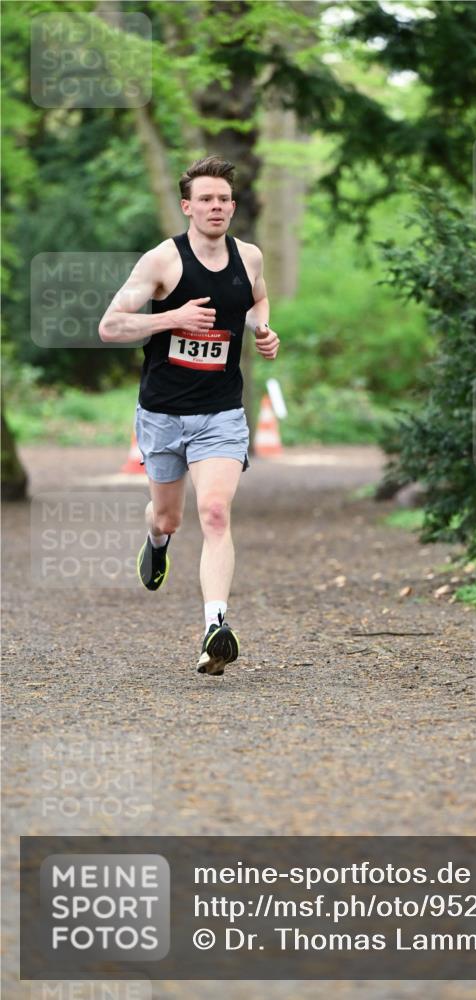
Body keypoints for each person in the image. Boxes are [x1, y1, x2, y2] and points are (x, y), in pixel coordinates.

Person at [99, 155, 279, 676]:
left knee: (216, 513)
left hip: (221, 412)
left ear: (233, 206)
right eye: (206, 199)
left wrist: (262, 331)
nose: (216, 207)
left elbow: (258, 300)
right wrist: (173, 317)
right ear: (188, 207)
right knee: (169, 516)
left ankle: (214, 628)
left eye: (223, 199)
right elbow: (110, 327)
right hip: (162, 413)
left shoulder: (250, 258)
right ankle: (157, 542)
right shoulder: (162, 262)